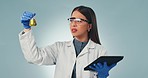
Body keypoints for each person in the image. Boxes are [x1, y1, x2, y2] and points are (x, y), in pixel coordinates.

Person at [19, 5, 116, 78]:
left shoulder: (99, 51)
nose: (73, 24)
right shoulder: (59, 48)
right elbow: (33, 57)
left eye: (79, 20)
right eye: (72, 20)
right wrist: (27, 29)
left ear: (89, 26)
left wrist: (101, 77)